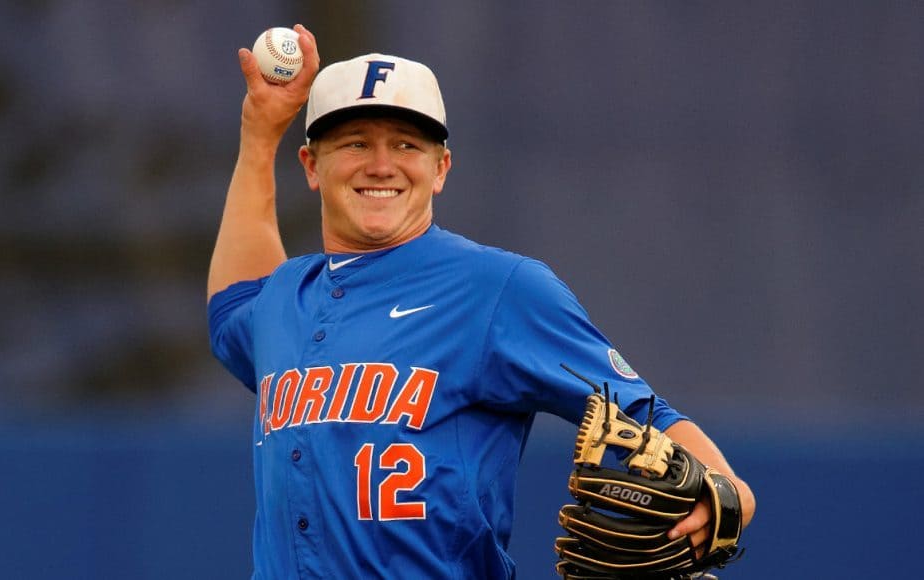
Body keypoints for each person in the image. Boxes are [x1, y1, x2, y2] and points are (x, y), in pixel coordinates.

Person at [207, 24, 755, 579]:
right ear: (310, 166)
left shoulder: (498, 288)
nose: (380, 165)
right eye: (355, 143)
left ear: (440, 168)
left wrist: (728, 489)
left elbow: (642, 413)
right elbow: (231, 306)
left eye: (406, 144)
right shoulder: (284, 296)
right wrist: (259, 135)